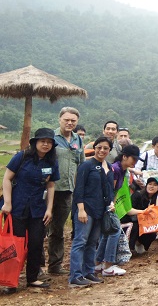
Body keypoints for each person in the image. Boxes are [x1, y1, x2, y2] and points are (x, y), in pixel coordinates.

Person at [1, 128, 59, 292]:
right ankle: (11, 281)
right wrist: (7, 202)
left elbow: (51, 185)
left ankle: (32, 278)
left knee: (35, 244)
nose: (46, 144)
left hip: (38, 209)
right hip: (17, 207)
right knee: (16, 246)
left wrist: (49, 209)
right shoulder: (22, 157)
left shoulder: (52, 162)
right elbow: (7, 178)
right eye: (42, 141)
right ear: (35, 143)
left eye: (49, 142)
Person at [68, 137, 114, 287]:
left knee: (92, 242)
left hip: (100, 210)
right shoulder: (86, 165)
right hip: (86, 208)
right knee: (80, 241)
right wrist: (80, 209)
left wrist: (111, 203)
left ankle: (89, 271)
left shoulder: (109, 167)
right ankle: (75, 275)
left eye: (105, 148)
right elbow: (79, 189)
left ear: (109, 150)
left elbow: (110, 189)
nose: (102, 150)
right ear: (94, 148)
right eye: (99, 147)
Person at [48, 107, 85, 276]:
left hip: (68, 190)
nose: (70, 123)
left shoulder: (78, 140)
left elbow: (81, 165)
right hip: (48, 190)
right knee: (40, 228)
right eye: (67, 120)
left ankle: (55, 265)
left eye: (73, 121)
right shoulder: (50, 138)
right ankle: (36, 266)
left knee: (58, 228)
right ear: (59, 119)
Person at [95, 145, 140, 277]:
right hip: (105, 203)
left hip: (109, 204)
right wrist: (109, 205)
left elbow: (115, 191)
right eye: (133, 159)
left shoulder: (123, 170)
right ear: (124, 156)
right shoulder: (115, 169)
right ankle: (108, 265)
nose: (134, 162)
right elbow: (109, 189)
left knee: (106, 233)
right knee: (114, 231)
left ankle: (98, 263)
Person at [129, 177, 158, 254]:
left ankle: (141, 244)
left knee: (153, 233)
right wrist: (143, 212)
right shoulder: (137, 195)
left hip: (146, 222)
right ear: (146, 185)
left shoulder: (155, 199)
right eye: (150, 184)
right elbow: (129, 210)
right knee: (136, 226)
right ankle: (131, 248)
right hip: (132, 219)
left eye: (155, 185)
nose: (152, 186)